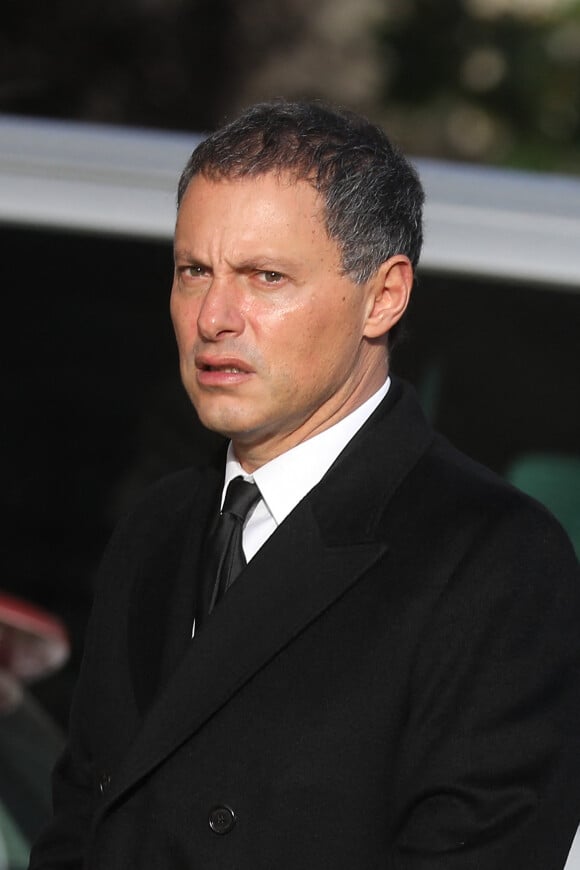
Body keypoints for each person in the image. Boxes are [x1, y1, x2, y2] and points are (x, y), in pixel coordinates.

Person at [29, 100, 580, 869]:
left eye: (265, 276)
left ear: (383, 296)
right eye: (194, 271)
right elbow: (78, 828)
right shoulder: (159, 527)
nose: (214, 316)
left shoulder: (494, 561)